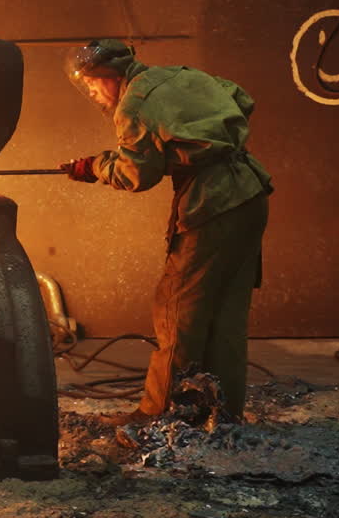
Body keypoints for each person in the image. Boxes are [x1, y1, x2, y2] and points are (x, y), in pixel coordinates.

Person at [59, 39, 273, 424]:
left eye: (91, 83)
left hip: (213, 202)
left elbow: (137, 174)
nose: (90, 91)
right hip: (250, 192)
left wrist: (94, 168)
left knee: (178, 309)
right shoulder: (178, 75)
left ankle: (157, 415)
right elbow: (240, 99)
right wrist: (199, 143)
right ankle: (223, 414)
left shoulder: (134, 105)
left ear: (110, 76)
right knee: (226, 314)